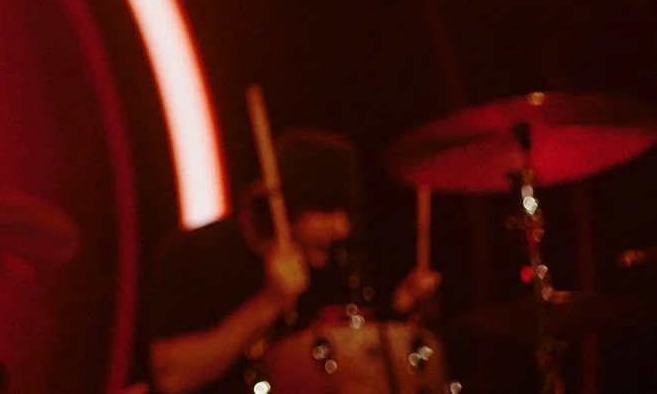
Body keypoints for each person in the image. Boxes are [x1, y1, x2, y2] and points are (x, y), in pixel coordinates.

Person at [145, 128, 441, 394]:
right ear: (282, 206)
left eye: (346, 213)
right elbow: (171, 377)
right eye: (326, 210)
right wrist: (269, 302)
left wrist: (401, 309)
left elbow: (354, 359)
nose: (342, 228)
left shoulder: (330, 262)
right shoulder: (197, 254)